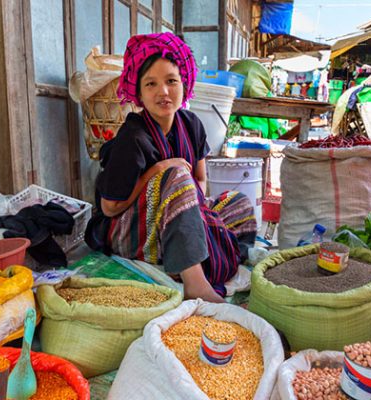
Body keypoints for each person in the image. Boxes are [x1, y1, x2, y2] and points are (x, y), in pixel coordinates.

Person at [85, 33, 257, 303]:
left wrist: (188, 209)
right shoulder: (132, 137)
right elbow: (110, 208)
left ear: (184, 84)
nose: (163, 92)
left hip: (176, 218)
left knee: (239, 204)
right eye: (151, 84)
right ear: (139, 93)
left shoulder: (192, 124)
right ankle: (195, 283)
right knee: (176, 174)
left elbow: (200, 181)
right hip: (129, 230)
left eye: (171, 81)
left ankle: (196, 253)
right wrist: (160, 170)